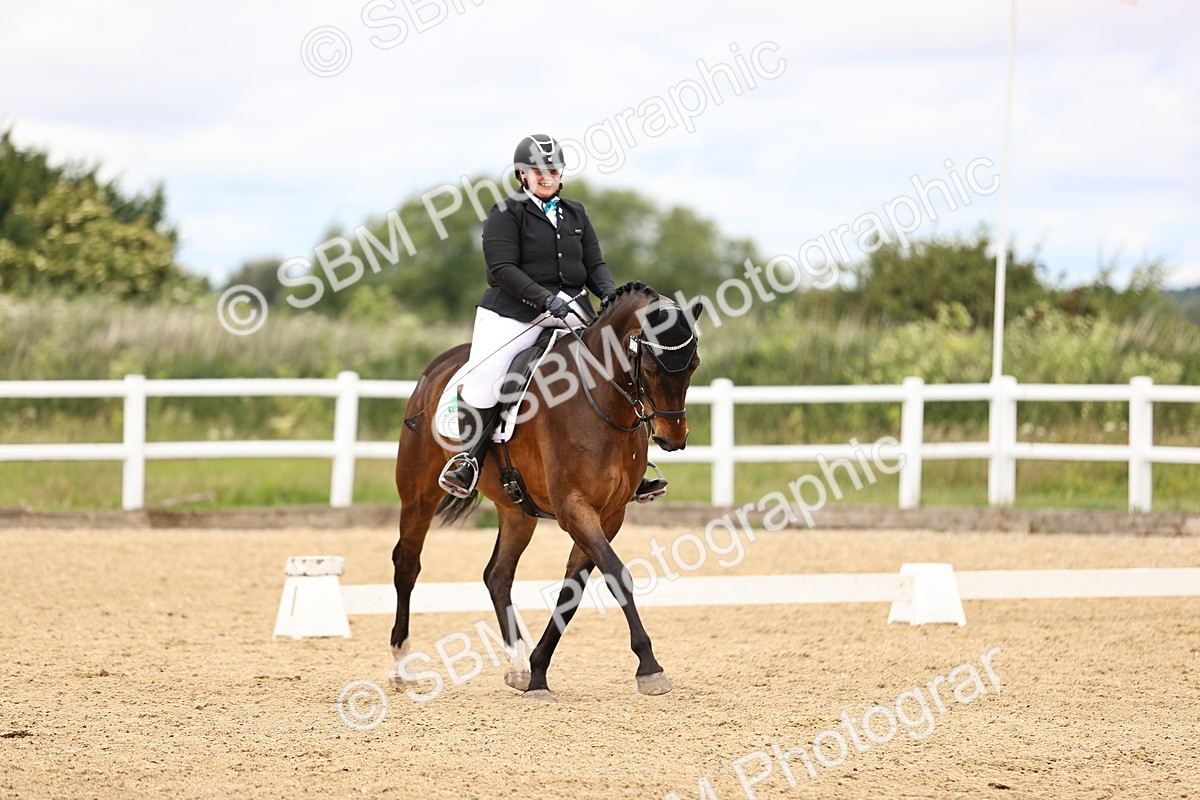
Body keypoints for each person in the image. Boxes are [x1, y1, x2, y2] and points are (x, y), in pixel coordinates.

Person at [438, 133, 667, 503]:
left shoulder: (575, 213)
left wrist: (610, 298)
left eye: (553, 170)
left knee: (621, 369)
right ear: (522, 174)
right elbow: (501, 268)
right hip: (512, 313)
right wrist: (543, 298)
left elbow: (595, 266)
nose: (547, 176)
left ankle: (633, 468)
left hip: (570, 309)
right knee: (486, 378)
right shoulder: (505, 213)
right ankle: (469, 460)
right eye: (538, 171)